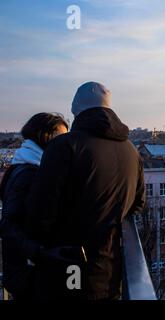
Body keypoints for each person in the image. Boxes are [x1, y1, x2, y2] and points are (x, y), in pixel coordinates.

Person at [26, 82, 145, 300]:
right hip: (109, 271)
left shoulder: (64, 147)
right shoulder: (131, 151)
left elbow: (39, 215)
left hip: (67, 269)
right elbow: (138, 204)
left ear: (76, 112)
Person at [0, 113, 69, 299]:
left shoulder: (28, 165)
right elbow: (8, 225)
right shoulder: (29, 173)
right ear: (44, 137)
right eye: (60, 137)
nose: (66, 143)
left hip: (27, 272)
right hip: (27, 274)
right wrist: (41, 253)